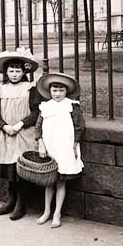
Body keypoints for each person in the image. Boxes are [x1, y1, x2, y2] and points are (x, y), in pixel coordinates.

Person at [0, 47, 40, 220]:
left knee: (21, 169)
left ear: (24, 71)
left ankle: (21, 203)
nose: (15, 74)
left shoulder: (30, 88)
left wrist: (19, 124)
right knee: (9, 167)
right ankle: (10, 199)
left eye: (18, 71)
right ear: (6, 72)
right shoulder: (0, 90)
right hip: (6, 133)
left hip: (23, 133)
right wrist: (4, 126)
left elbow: (35, 112)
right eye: (11, 70)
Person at [35, 71, 85, 229]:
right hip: (49, 146)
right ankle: (46, 211)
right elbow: (38, 127)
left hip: (65, 146)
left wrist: (75, 145)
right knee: (48, 181)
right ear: (50, 91)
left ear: (67, 91)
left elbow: (79, 127)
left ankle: (58, 213)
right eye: (54, 90)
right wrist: (40, 144)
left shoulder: (72, 106)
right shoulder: (45, 106)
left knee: (61, 181)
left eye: (61, 90)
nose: (57, 94)